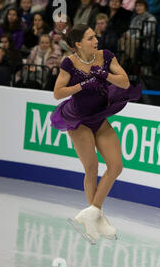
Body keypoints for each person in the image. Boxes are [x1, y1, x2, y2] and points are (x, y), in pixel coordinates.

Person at [51, 24, 141, 244]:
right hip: (78, 119)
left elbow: (125, 82)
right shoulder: (69, 63)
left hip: (99, 118)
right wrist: (81, 85)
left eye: (95, 36)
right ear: (78, 44)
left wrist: (104, 75)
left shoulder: (106, 56)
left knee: (116, 166)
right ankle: (96, 216)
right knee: (91, 168)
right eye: (90, 38)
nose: (96, 40)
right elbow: (57, 93)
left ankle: (93, 213)